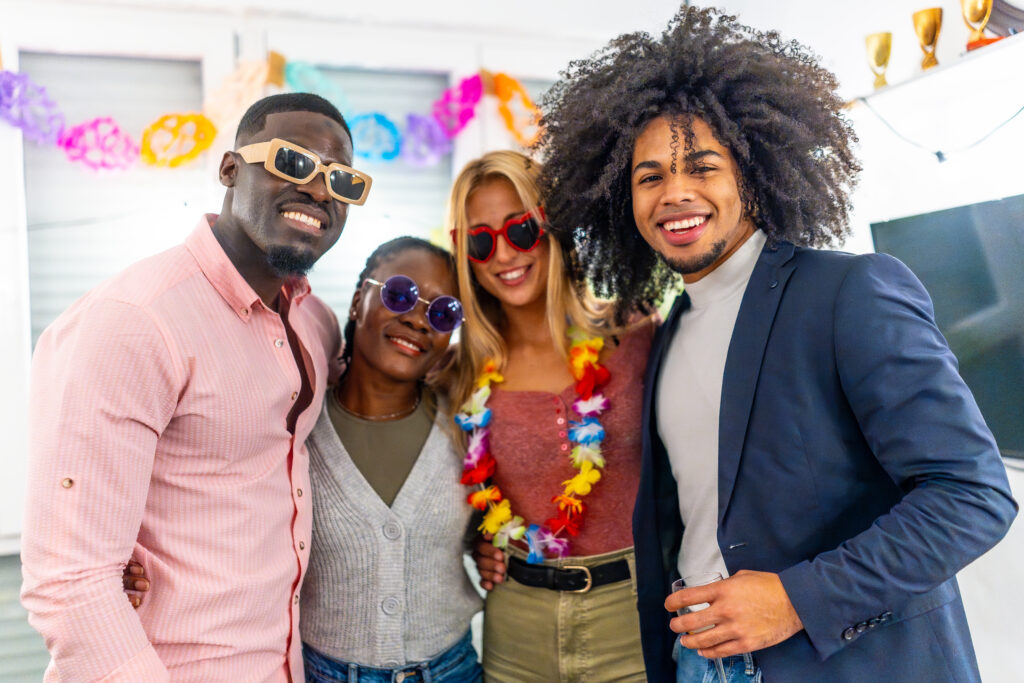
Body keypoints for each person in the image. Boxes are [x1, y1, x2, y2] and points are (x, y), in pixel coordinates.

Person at [535, 6, 1018, 682]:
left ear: (754, 177)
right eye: (649, 177)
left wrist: (798, 599)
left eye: (702, 166)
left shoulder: (850, 292)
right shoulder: (673, 330)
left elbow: (973, 494)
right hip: (699, 662)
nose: (675, 193)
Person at [21, 92, 370, 681]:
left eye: (342, 179)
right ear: (230, 169)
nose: (318, 190)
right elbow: (70, 582)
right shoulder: (135, 321)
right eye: (293, 162)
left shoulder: (315, 323)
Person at [449, 150, 654, 681]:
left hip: (631, 614)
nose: (502, 255)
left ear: (552, 226)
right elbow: (441, 483)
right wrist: (476, 538)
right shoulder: (464, 369)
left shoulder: (632, 334)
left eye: (520, 230)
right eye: (480, 240)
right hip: (518, 624)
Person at [299, 237, 483, 682]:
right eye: (399, 294)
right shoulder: (296, 431)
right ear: (360, 300)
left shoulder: (467, 427)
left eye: (443, 313)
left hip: (452, 670)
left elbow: (488, 530)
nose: (419, 319)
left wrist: (489, 549)